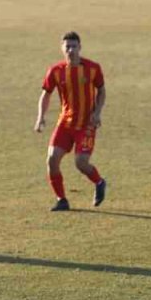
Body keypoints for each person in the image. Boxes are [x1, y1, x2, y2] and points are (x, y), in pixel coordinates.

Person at [34, 31, 108, 212]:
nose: (71, 50)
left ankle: (99, 182)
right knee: (52, 160)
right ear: (62, 48)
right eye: (67, 46)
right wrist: (40, 118)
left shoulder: (92, 68)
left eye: (74, 46)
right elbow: (45, 95)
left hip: (86, 124)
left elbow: (102, 90)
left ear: (80, 47)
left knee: (81, 163)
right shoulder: (55, 71)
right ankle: (62, 200)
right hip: (65, 124)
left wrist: (97, 113)